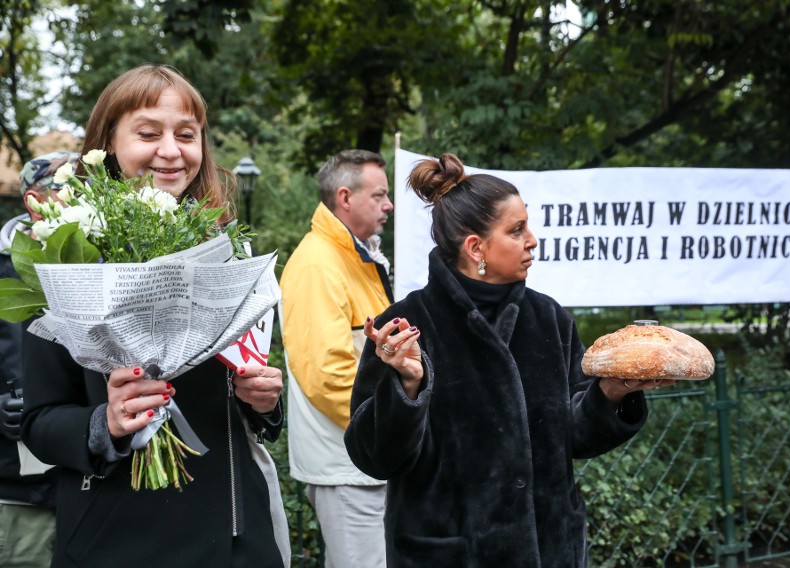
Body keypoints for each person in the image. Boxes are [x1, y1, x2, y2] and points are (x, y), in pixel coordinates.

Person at [344, 153, 674, 567]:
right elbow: (374, 458)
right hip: (450, 555)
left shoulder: (549, 319)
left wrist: (610, 392)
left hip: (550, 549)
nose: (532, 239)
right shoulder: (406, 325)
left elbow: (574, 436)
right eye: (517, 230)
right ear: (475, 247)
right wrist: (407, 387)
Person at [20, 65, 290, 568]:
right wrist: (107, 422)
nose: (171, 150)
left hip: (234, 537)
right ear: (108, 142)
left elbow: (250, 389)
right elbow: (39, 420)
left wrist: (265, 400)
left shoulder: (226, 250)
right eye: (148, 133)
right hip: (117, 538)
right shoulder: (65, 255)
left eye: (186, 135)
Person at [279, 149, 394, 567]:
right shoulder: (318, 264)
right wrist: (393, 428)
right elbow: (327, 375)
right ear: (345, 197)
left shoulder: (353, 257)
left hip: (363, 461)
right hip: (348, 466)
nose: (389, 204)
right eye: (379, 195)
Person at [0, 152, 76, 567]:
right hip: (21, 494)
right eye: (73, 190)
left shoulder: (105, 260)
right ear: (35, 202)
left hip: (92, 488)